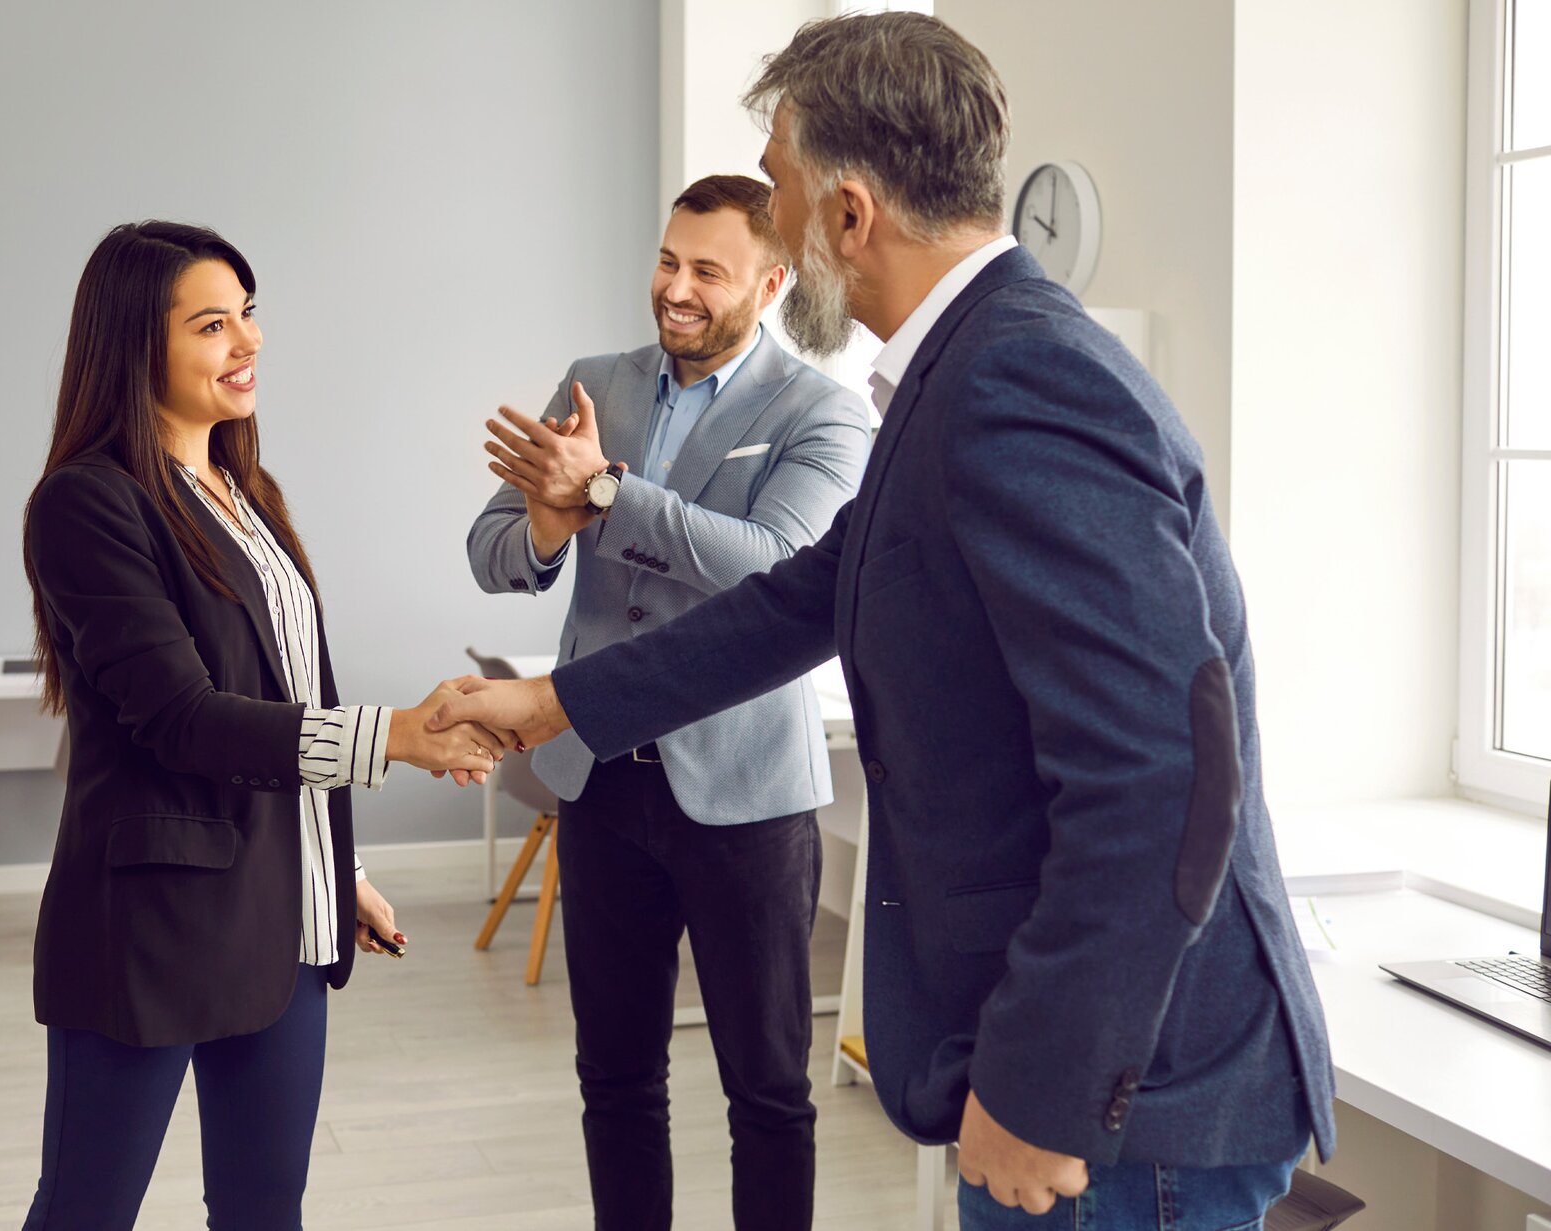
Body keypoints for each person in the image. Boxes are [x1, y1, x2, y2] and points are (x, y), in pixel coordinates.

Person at [432, 14, 1337, 1230]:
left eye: (777, 188)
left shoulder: (1019, 379)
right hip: (1097, 1085)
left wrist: (1040, 1083)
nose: (769, 216)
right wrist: (552, 702)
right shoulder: (957, 369)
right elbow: (807, 596)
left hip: (1123, 1105)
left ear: (847, 215)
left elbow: (1162, 774)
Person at [18, 220, 513, 1230]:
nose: (246, 343)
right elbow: (184, 721)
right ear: (132, 343)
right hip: (149, 930)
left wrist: (341, 865)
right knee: (84, 1210)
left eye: (249, 315)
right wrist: (396, 737)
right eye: (212, 324)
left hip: (280, 919)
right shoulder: (86, 504)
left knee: (262, 1210)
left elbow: (279, 698)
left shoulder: (243, 491)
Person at [468, 174, 868, 1231]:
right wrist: (548, 529)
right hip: (599, 782)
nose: (674, 288)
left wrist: (604, 493)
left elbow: (772, 571)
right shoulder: (592, 381)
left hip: (745, 795)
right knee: (614, 1076)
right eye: (665, 260)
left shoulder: (822, 412)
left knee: (768, 1092)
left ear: (772, 281)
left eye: (705, 270)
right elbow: (490, 550)